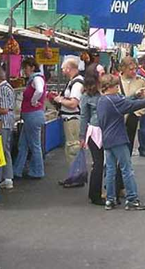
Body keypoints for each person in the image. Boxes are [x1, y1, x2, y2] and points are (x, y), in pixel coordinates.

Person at [97, 74, 145, 211]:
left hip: (107, 138)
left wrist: (134, 95)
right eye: (116, 86)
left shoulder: (102, 100)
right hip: (118, 138)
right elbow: (132, 105)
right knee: (126, 169)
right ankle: (132, 199)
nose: (118, 88)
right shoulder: (114, 100)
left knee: (110, 170)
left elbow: (126, 101)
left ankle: (110, 199)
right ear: (109, 87)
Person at [53, 58, 85, 188]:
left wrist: (59, 100)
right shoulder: (74, 82)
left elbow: (73, 103)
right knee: (72, 147)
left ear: (69, 68)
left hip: (73, 119)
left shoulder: (77, 84)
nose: (62, 70)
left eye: (63, 68)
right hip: (71, 119)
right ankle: (74, 175)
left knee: (73, 148)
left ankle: (76, 177)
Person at [13, 58, 46, 180]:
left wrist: (33, 101)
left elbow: (39, 90)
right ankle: (17, 170)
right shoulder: (35, 79)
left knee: (34, 145)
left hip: (33, 115)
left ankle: (37, 171)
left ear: (32, 67)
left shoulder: (37, 78)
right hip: (31, 115)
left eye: (25, 68)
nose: (24, 71)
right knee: (23, 144)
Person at [79, 64, 106, 205]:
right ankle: (94, 194)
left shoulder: (106, 90)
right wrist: (82, 136)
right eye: (101, 73)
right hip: (95, 131)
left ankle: (109, 190)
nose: (104, 75)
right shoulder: (87, 96)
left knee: (106, 163)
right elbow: (84, 116)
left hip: (108, 130)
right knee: (98, 163)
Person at [118, 56, 145, 154]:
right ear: (123, 69)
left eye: (135, 69)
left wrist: (137, 114)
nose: (134, 71)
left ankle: (125, 166)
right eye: (130, 69)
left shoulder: (141, 82)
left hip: (132, 117)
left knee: (129, 143)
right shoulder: (114, 81)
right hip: (117, 117)